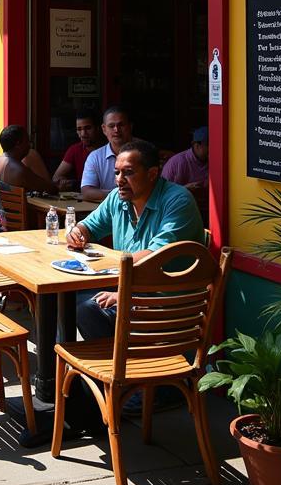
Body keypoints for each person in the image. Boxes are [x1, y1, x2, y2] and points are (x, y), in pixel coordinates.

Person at [67, 138, 205, 341]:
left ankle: (122, 366)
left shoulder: (178, 201)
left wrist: (120, 294)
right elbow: (88, 226)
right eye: (117, 172)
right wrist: (76, 233)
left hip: (166, 303)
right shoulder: (118, 198)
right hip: (133, 291)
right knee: (65, 300)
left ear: (152, 174)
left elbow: (154, 257)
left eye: (128, 172)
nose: (119, 179)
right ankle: (114, 364)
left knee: (86, 309)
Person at [80, 106, 133, 202]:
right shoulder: (95, 157)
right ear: (104, 129)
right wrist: (120, 194)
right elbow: (86, 192)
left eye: (121, 125)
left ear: (130, 126)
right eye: (111, 126)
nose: (116, 130)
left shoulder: (143, 153)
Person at [0, 124, 55, 194]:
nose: (30, 145)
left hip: (2, 204)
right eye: (27, 141)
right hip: (15, 205)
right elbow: (50, 189)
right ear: (18, 144)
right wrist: (58, 186)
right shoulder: (19, 170)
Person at [161, 126, 210, 210]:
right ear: (196, 145)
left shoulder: (214, 160)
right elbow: (163, 195)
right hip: (179, 209)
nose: (212, 148)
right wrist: (185, 189)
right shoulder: (177, 162)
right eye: (208, 145)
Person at [53, 110, 101, 190]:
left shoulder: (108, 149)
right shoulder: (75, 150)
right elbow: (56, 178)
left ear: (98, 128)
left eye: (88, 128)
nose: (83, 134)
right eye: (79, 129)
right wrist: (68, 183)